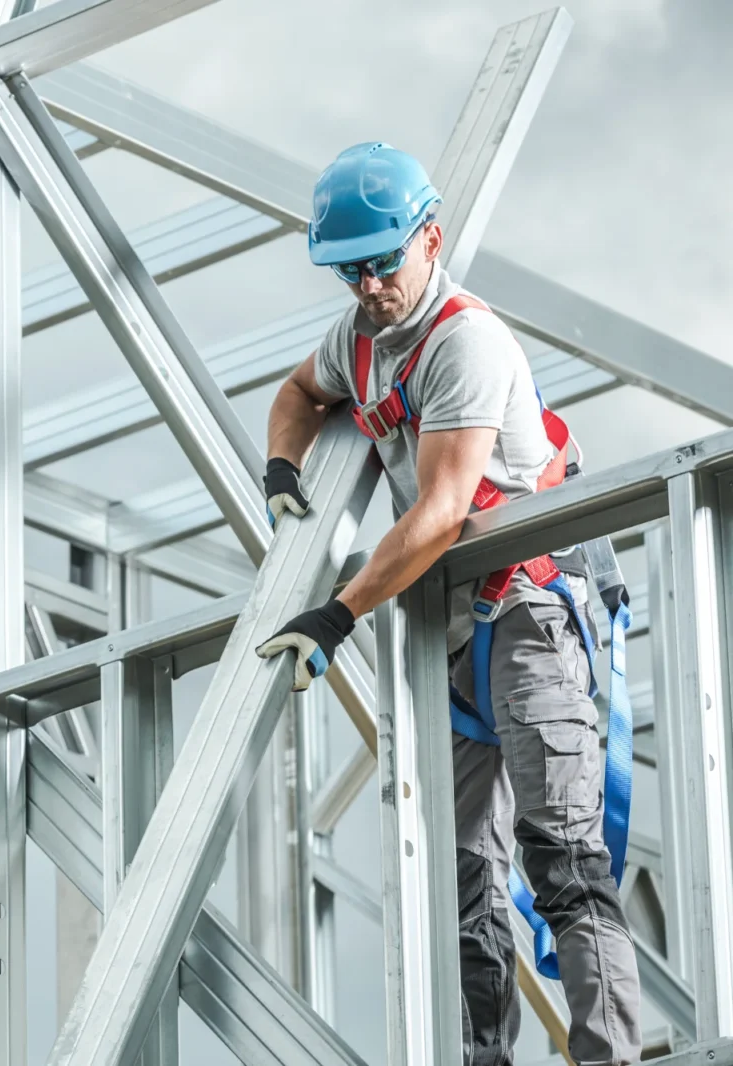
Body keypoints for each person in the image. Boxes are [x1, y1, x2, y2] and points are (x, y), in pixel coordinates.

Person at [254, 142, 642, 1065]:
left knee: (564, 858)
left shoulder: (464, 339)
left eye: (383, 264)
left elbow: (439, 513)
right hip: (458, 630)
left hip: (530, 609)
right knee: (465, 882)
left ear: (429, 240)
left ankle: (610, 1058)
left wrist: (336, 614)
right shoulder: (359, 341)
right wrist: (281, 460)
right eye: (349, 269)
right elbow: (300, 393)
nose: (369, 286)